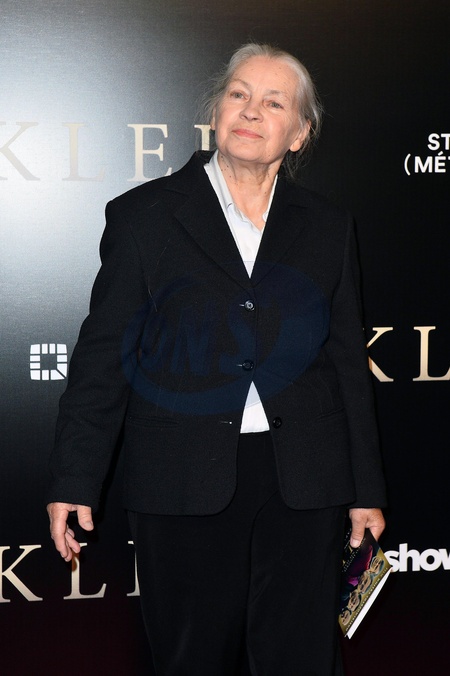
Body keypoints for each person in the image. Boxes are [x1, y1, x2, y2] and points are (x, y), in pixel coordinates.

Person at [47, 43, 386, 675]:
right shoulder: (144, 217)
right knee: (191, 660)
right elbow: (103, 358)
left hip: (304, 482)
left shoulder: (329, 226)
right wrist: (74, 478)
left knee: (301, 660)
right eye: (238, 94)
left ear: (300, 133)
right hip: (182, 479)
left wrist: (365, 489)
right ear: (215, 112)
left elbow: (346, 363)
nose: (251, 111)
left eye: (274, 103)